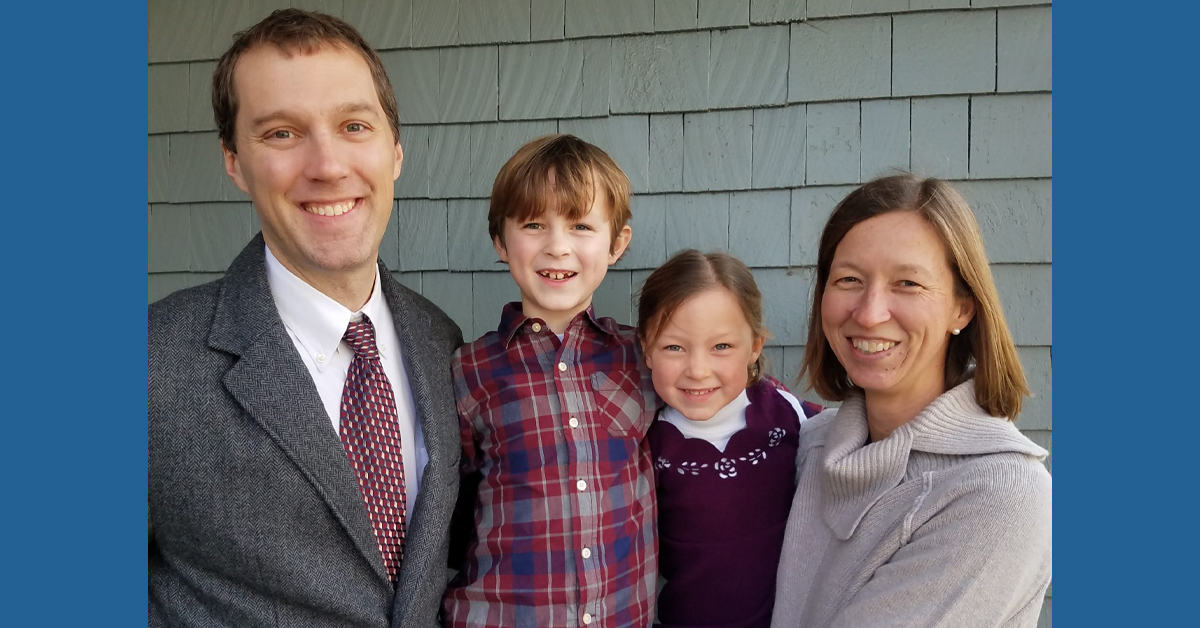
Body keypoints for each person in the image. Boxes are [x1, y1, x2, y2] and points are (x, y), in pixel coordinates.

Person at [148, 9, 463, 627]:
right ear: (235, 161)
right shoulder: (149, 360)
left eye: (353, 125)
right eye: (282, 134)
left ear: (394, 151)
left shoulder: (441, 341)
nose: (327, 165)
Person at [771, 173, 1052, 628]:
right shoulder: (812, 444)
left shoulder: (1001, 493)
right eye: (848, 279)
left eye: (908, 283)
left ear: (962, 307)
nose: (869, 312)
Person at [443, 134, 658, 628]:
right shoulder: (469, 369)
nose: (557, 246)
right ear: (501, 241)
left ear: (617, 243)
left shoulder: (642, 358)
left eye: (581, 225)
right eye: (534, 224)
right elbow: (441, 503)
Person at [637, 250, 824, 628]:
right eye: (674, 347)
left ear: (754, 346)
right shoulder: (644, 438)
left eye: (721, 346)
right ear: (647, 348)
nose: (698, 370)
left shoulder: (790, 416)